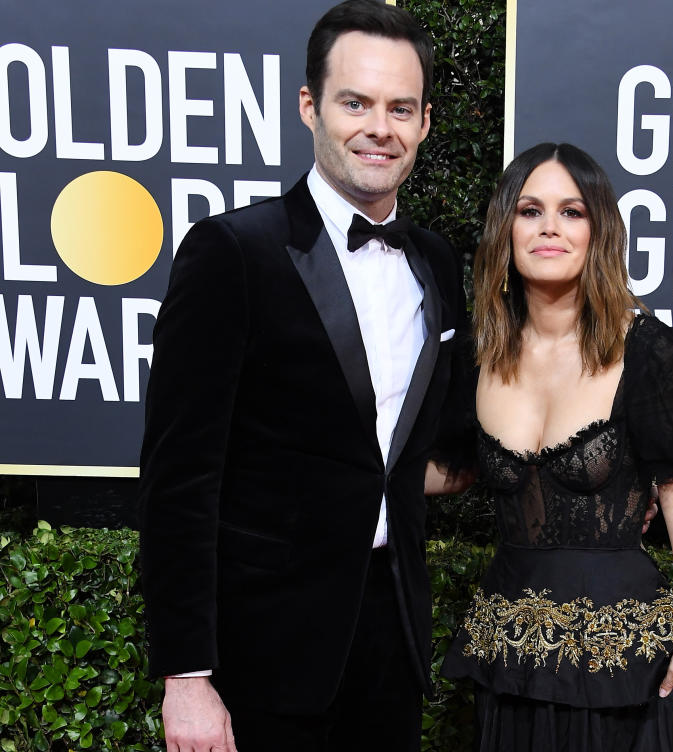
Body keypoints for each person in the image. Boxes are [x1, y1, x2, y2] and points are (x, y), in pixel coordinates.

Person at [137, 2, 467, 750]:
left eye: (401, 108)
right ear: (310, 106)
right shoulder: (232, 253)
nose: (379, 127)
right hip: (264, 654)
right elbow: (179, 478)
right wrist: (187, 677)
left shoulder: (437, 263)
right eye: (356, 102)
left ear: (422, 123)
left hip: (392, 638)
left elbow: (433, 443)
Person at [440, 143, 673, 751]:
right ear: (504, 230)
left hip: (620, 665)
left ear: (599, 231)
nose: (549, 227)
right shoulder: (475, 354)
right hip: (508, 651)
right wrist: (340, 466)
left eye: (572, 212)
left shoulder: (649, 351)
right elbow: (453, 470)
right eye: (529, 210)